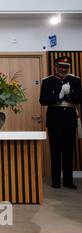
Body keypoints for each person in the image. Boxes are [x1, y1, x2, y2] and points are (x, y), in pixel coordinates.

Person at [39, 56, 82, 189]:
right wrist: (59, 95)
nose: (63, 69)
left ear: (69, 67)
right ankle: (56, 180)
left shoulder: (75, 80)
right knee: (55, 150)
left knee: (69, 150)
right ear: (55, 67)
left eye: (66, 67)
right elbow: (43, 100)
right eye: (61, 66)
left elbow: (79, 98)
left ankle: (68, 181)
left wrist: (69, 94)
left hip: (69, 118)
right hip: (55, 119)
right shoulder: (48, 81)